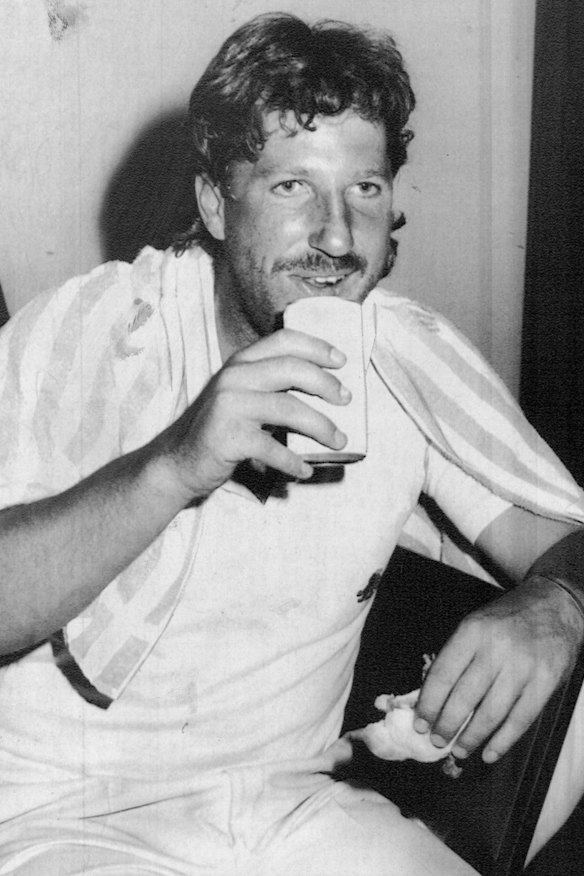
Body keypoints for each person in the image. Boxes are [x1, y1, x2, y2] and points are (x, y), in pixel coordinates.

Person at [0, 12, 583, 875]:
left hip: (292, 805)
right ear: (213, 203)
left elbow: (564, 539)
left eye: (366, 190)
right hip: (64, 815)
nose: (339, 236)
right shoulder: (94, 332)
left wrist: (557, 603)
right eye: (292, 187)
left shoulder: (407, 358)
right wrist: (176, 461)